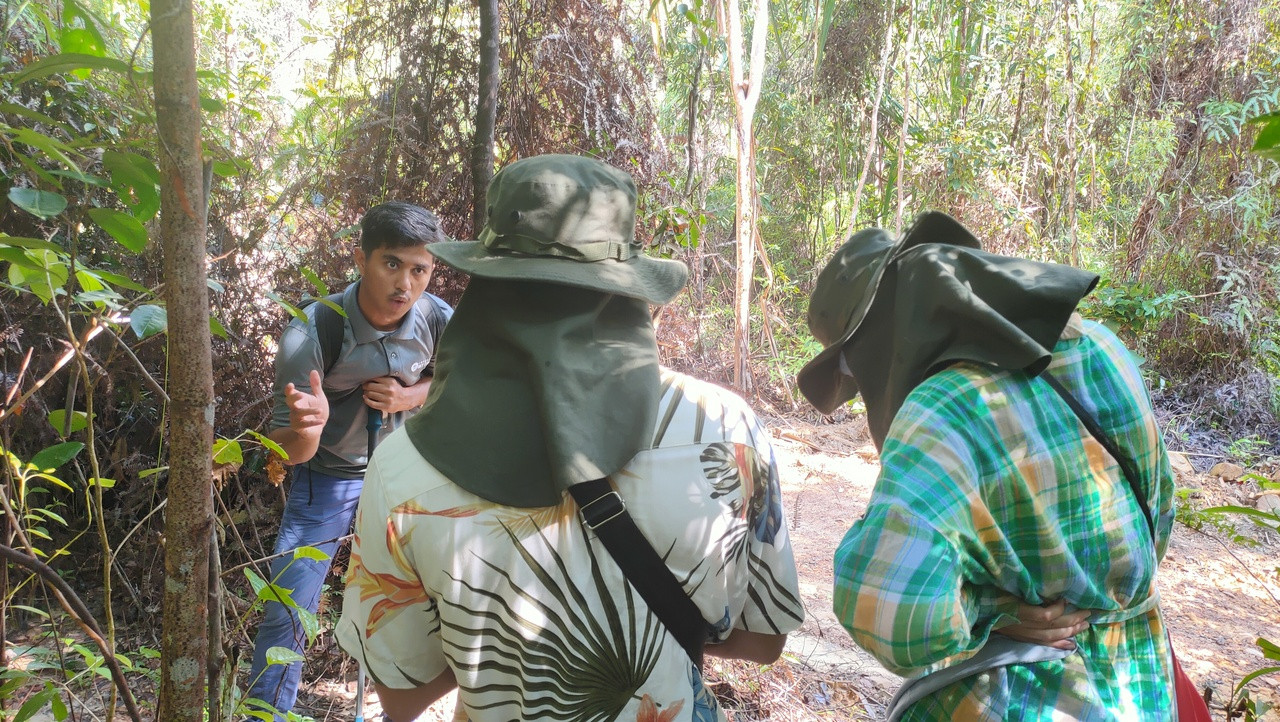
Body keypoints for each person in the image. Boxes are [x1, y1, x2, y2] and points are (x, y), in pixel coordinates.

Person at [336, 154, 805, 722]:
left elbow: (403, 695)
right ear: (629, 285)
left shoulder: (403, 466)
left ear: (486, 281)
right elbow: (763, 641)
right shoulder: (725, 428)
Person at [796, 212, 1176, 720]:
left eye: (850, 368)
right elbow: (1159, 518)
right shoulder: (1102, 346)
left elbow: (892, 614)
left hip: (1016, 697)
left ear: (882, 339)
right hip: (1139, 678)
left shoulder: (943, 410)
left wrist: (992, 613)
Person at [246, 202, 453, 720]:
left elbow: (472, 380)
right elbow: (285, 453)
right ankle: (265, 713)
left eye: (419, 269)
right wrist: (305, 429)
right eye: (391, 263)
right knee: (287, 604)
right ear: (361, 258)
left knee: (445, 599)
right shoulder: (313, 331)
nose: (404, 283)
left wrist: (414, 395)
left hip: (410, 476)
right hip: (329, 477)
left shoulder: (437, 319)